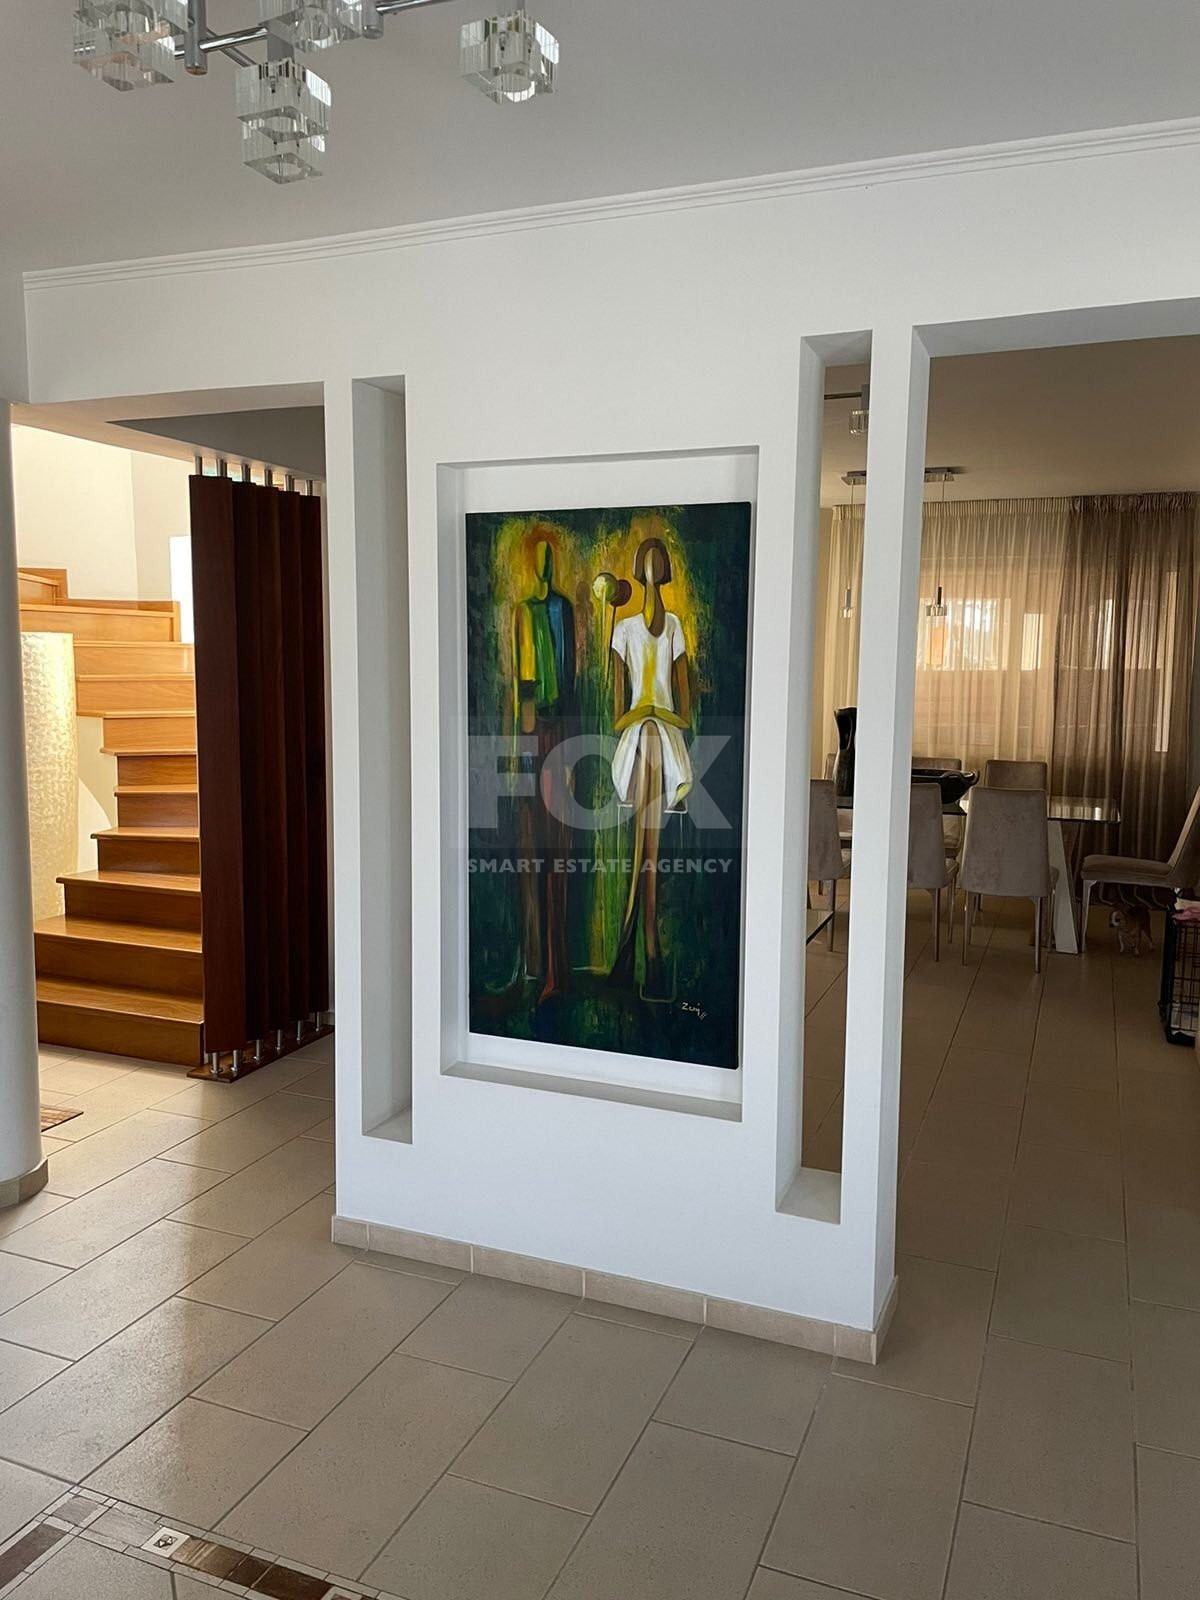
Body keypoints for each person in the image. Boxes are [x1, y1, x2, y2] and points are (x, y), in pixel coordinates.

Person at [608, 521, 692, 997]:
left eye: (660, 561)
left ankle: (643, 950)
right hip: (636, 742)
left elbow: (685, 713)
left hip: (664, 742)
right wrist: (645, 713)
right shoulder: (623, 630)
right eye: (648, 562)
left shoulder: (675, 627)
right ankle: (642, 953)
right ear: (640, 570)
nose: (653, 568)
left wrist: (658, 713)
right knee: (641, 852)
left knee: (650, 854)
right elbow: (618, 717)